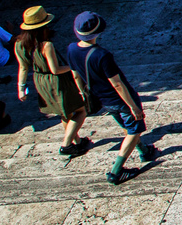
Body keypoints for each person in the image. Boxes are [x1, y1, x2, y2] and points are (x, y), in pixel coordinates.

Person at [65, 11, 156, 184]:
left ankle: (144, 150)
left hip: (103, 99)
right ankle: (116, 171)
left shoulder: (71, 49)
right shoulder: (102, 55)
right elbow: (117, 84)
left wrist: (82, 92)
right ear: (98, 32)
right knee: (134, 130)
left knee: (126, 126)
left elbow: (75, 75)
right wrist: (133, 106)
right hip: (120, 99)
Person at [14, 6, 89, 157]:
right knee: (82, 110)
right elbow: (55, 70)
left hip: (40, 81)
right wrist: (73, 65)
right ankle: (66, 145)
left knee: (64, 113)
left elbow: (23, 67)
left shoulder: (19, 43)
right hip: (56, 82)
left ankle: (78, 142)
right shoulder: (46, 45)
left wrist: (21, 88)